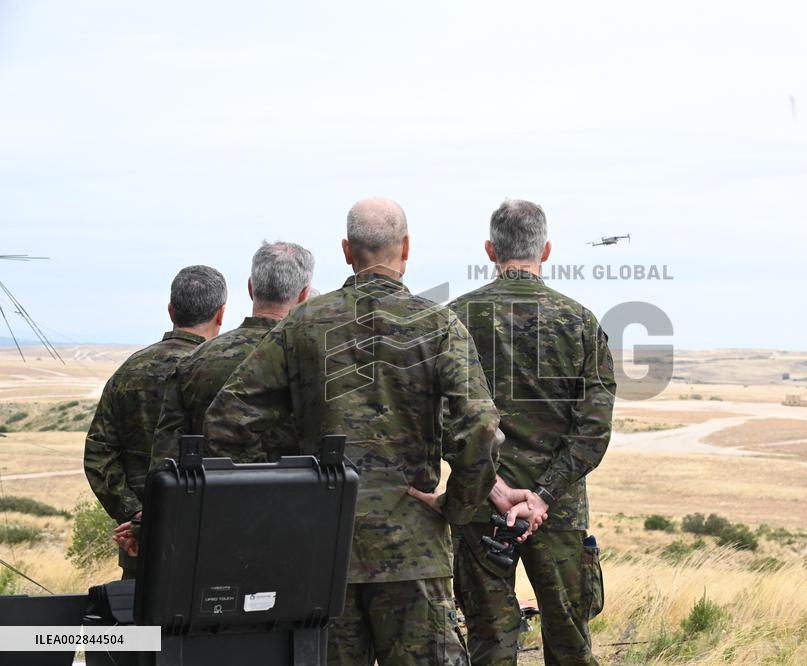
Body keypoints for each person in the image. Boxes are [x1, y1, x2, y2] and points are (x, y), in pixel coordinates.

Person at [204, 198, 517, 665]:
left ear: (347, 251)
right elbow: (482, 431)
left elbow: (227, 421)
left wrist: (286, 500)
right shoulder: (437, 325)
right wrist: (457, 506)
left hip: (323, 555)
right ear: (406, 247)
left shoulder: (304, 325)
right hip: (413, 554)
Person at [446, 200, 616, 665]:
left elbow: (439, 415)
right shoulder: (580, 323)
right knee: (570, 645)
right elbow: (594, 429)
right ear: (546, 249)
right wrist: (542, 494)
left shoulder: (453, 319)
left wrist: (494, 485)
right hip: (557, 513)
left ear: (489, 249)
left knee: (491, 643)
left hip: (483, 507)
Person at [84, 264, 227, 578]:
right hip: (209, 542)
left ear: (171, 310)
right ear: (221, 314)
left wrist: (137, 515)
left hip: (141, 544)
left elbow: (99, 454)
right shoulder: (225, 375)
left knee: (139, 624)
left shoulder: (128, 372)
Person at [149, 241, 314, 466]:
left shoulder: (195, 361)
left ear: (250, 288)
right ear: (305, 294)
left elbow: (166, 460)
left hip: (211, 498)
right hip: (300, 498)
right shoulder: (317, 362)